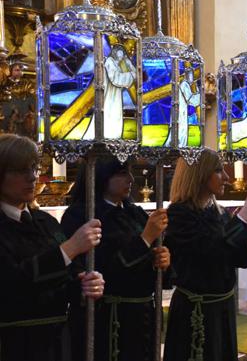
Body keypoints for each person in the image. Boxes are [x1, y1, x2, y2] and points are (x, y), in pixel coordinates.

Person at [0, 133, 105, 361]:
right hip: (14, 343)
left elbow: (69, 274)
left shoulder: (45, 222)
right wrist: (69, 249)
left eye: (34, 168)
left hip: (58, 341)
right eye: (20, 170)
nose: (32, 177)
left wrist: (86, 283)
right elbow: (13, 281)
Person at [61, 157, 170, 361]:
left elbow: (152, 263)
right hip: (109, 318)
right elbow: (103, 269)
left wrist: (161, 260)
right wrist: (145, 239)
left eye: (129, 172)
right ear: (101, 175)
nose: (130, 179)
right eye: (121, 173)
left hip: (142, 316)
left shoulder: (134, 213)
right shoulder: (82, 215)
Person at [163, 149, 247, 361]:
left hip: (222, 309)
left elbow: (238, 259)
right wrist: (243, 216)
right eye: (218, 171)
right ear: (199, 175)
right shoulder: (179, 214)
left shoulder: (217, 212)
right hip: (195, 310)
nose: (226, 178)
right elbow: (209, 251)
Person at [85, 45, 136, 140]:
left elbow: (133, 73)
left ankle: (112, 137)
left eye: (122, 57)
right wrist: (130, 75)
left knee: (113, 115)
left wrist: (128, 64)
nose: (120, 59)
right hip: (109, 96)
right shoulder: (109, 62)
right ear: (114, 54)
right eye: (119, 57)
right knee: (109, 114)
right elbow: (116, 79)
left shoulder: (116, 63)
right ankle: (106, 137)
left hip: (114, 94)